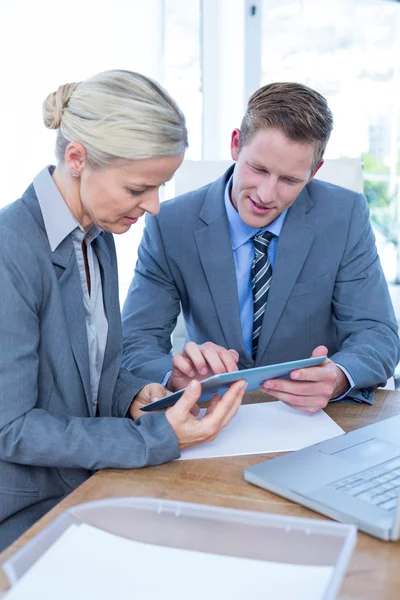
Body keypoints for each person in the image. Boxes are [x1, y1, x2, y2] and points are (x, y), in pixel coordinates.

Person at [0, 70, 247, 551]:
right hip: (22, 513)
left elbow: (84, 375)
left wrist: (133, 395)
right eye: (138, 189)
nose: (153, 207)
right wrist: (154, 439)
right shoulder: (10, 250)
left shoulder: (97, 233)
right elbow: (11, 428)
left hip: (88, 486)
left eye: (159, 187)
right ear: (77, 159)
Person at [121, 82, 400, 412]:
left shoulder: (345, 215)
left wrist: (338, 377)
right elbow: (135, 342)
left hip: (311, 418)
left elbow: (377, 332)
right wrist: (172, 376)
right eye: (259, 169)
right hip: (211, 415)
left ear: (314, 172)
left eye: (289, 180)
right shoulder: (168, 224)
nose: (267, 195)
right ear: (236, 144)